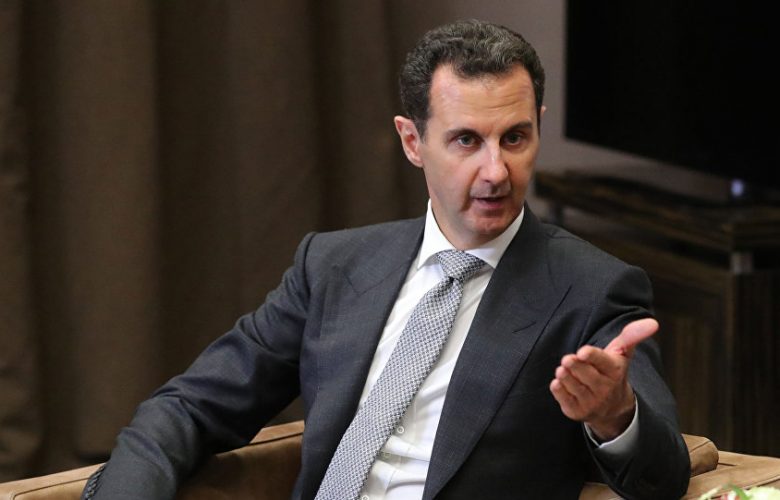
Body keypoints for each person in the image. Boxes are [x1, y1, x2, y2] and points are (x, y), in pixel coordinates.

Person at [82, 19, 690, 499]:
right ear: (412, 141)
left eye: (515, 138)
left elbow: (663, 477)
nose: (496, 171)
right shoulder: (333, 265)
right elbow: (189, 408)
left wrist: (615, 418)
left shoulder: (593, 289)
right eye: (466, 140)